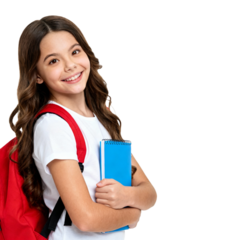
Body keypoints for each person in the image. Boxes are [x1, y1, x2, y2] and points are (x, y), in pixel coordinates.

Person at [10, 13, 158, 240]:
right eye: (53, 61)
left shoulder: (101, 118)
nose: (70, 65)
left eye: (75, 51)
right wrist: (132, 216)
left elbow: (150, 192)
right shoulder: (53, 126)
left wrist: (126, 195)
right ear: (37, 75)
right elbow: (85, 219)